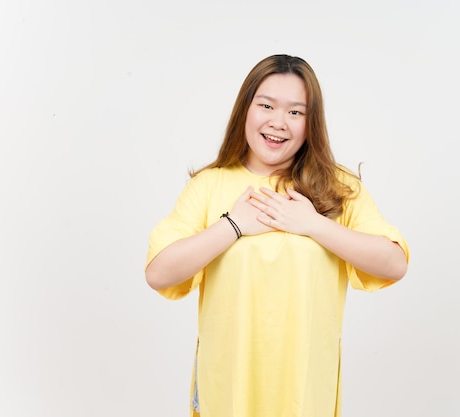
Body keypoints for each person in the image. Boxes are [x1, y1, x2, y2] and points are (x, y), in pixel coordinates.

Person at [145, 54, 409, 417]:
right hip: (227, 390)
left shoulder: (337, 187)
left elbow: (394, 263)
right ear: (245, 110)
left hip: (304, 392)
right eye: (266, 105)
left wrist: (313, 224)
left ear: (310, 123)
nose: (277, 122)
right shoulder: (210, 185)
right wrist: (233, 225)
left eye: (295, 112)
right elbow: (159, 273)